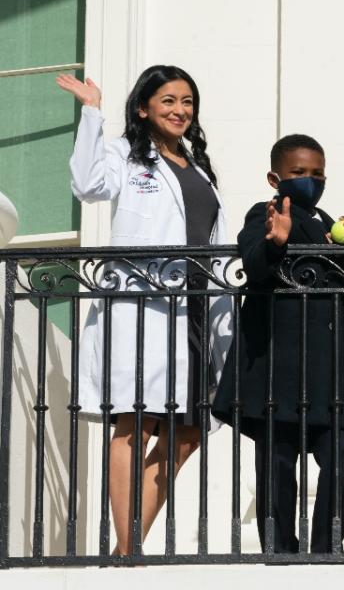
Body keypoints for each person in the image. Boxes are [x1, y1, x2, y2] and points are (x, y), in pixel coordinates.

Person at [57, 65, 233, 555]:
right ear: (143, 108)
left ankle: (124, 549)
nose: (180, 110)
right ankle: (129, 547)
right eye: (168, 101)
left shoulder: (197, 166)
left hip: (195, 310)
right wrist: (91, 113)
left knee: (188, 432)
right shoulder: (126, 156)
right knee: (135, 422)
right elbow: (88, 185)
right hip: (143, 308)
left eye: (187, 102)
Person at [211, 134, 344, 553]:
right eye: (298, 173)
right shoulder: (264, 212)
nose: (309, 180)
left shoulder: (332, 225)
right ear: (275, 177)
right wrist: (275, 240)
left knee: (341, 457)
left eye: (317, 173)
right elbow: (254, 265)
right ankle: (280, 550)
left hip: (331, 369)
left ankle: (325, 550)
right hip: (278, 367)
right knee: (278, 462)